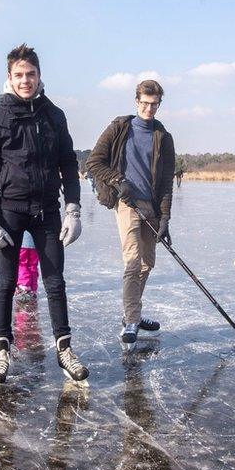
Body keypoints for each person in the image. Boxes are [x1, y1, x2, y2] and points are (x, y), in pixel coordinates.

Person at [0, 43, 88, 388]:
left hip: (47, 211)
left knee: (55, 282)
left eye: (31, 74)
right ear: (9, 77)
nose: (26, 81)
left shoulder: (54, 115)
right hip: (9, 210)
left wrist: (74, 207)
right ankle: (2, 350)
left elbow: (68, 162)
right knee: (6, 283)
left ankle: (64, 349)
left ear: (40, 76)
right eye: (19, 75)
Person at [86, 80, 176, 349]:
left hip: (151, 206)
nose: (149, 108)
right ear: (137, 102)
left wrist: (165, 218)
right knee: (133, 261)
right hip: (126, 203)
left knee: (148, 263)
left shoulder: (164, 137)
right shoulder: (120, 128)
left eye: (154, 104)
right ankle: (132, 321)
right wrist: (118, 180)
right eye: (145, 103)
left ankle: (130, 313)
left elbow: (167, 183)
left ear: (159, 104)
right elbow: (94, 162)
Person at [14, 231, 39, 301]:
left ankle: (24, 285)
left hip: (22, 244)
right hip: (35, 244)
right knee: (33, 265)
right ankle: (33, 288)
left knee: (21, 263)